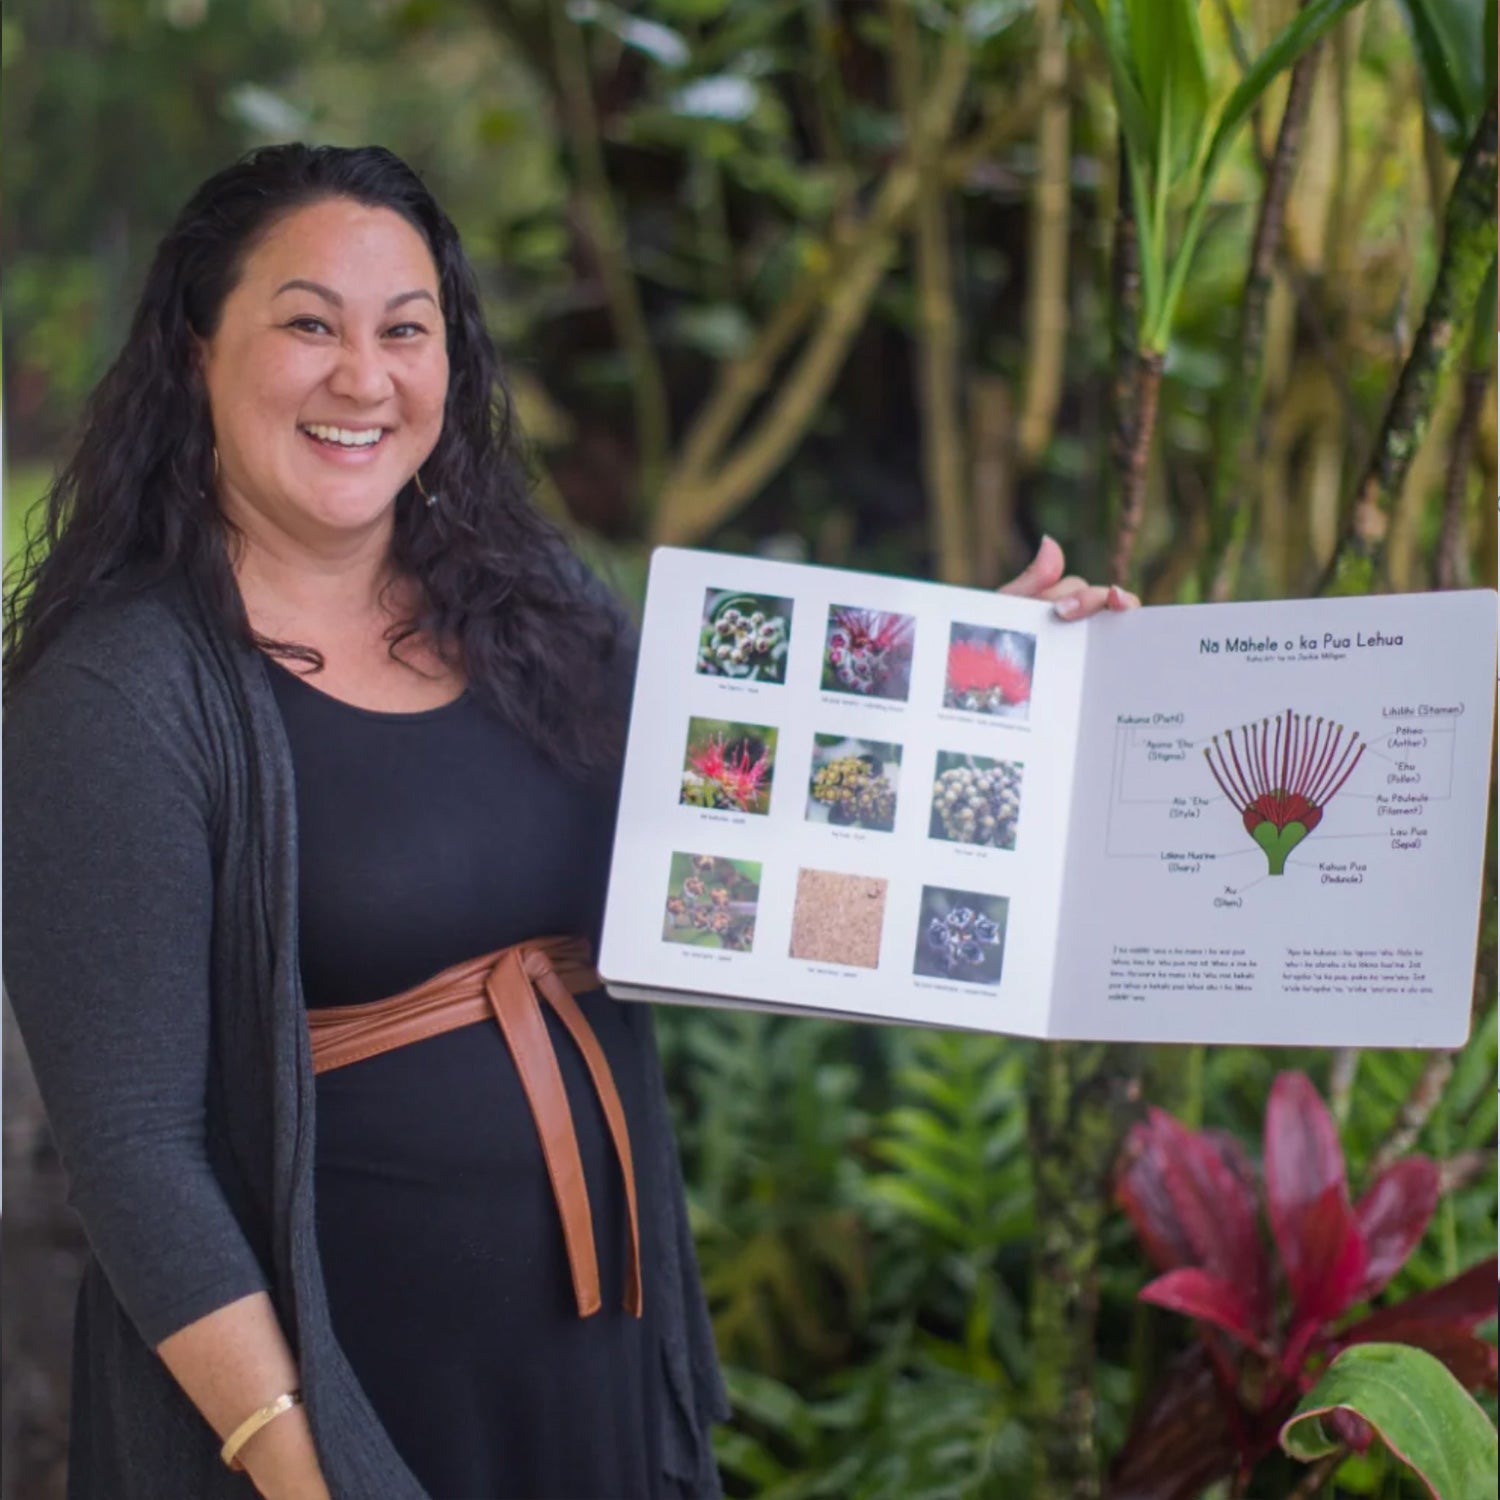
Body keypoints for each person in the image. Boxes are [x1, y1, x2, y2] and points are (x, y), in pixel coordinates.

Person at [2, 143, 1135, 1500]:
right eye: (309, 323)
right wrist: (303, 1468)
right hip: (333, 1403)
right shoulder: (121, 698)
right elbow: (135, 1155)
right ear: (197, 352)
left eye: (404, 330)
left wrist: (981, 678)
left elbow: (735, 834)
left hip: (586, 1368)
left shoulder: (525, 602)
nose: (364, 377)